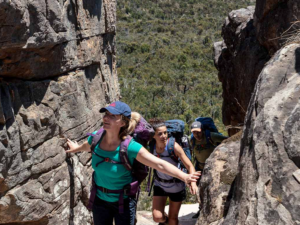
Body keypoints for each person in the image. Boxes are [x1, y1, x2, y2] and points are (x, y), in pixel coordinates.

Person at [66, 101, 201, 225]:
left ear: (123, 123)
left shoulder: (130, 147)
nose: (106, 118)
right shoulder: (96, 138)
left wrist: (185, 177)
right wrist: (75, 149)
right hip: (99, 200)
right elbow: (86, 146)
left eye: (113, 116)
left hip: (123, 202)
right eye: (106, 114)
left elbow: (159, 164)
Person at [150, 123, 198, 225]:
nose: (163, 136)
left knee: (173, 219)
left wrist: (193, 183)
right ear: (153, 135)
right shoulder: (152, 146)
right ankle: (165, 221)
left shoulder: (174, 147)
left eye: (165, 133)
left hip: (177, 186)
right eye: (160, 134)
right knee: (157, 217)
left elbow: (190, 166)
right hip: (160, 184)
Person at [190, 121, 228, 218]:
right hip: (199, 167)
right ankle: (201, 209)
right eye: (194, 132)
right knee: (200, 189)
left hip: (212, 168)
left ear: (202, 130)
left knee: (212, 189)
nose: (196, 135)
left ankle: (214, 210)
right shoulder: (192, 140)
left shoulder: (211, 136)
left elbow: (227, 140)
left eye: (198, 132)